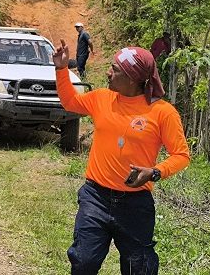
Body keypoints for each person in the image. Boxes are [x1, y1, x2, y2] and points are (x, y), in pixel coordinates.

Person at [53, 41, 190, 274]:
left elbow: (181, 155)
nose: (108, 72)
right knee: (83, 262)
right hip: (95, 197)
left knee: (138, 268)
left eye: (114, 69)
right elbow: (70, 102)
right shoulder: (102, 98)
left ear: (132, 78)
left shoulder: (162, 112)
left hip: (135, 205)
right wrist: (61, 69)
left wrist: (154, 172)